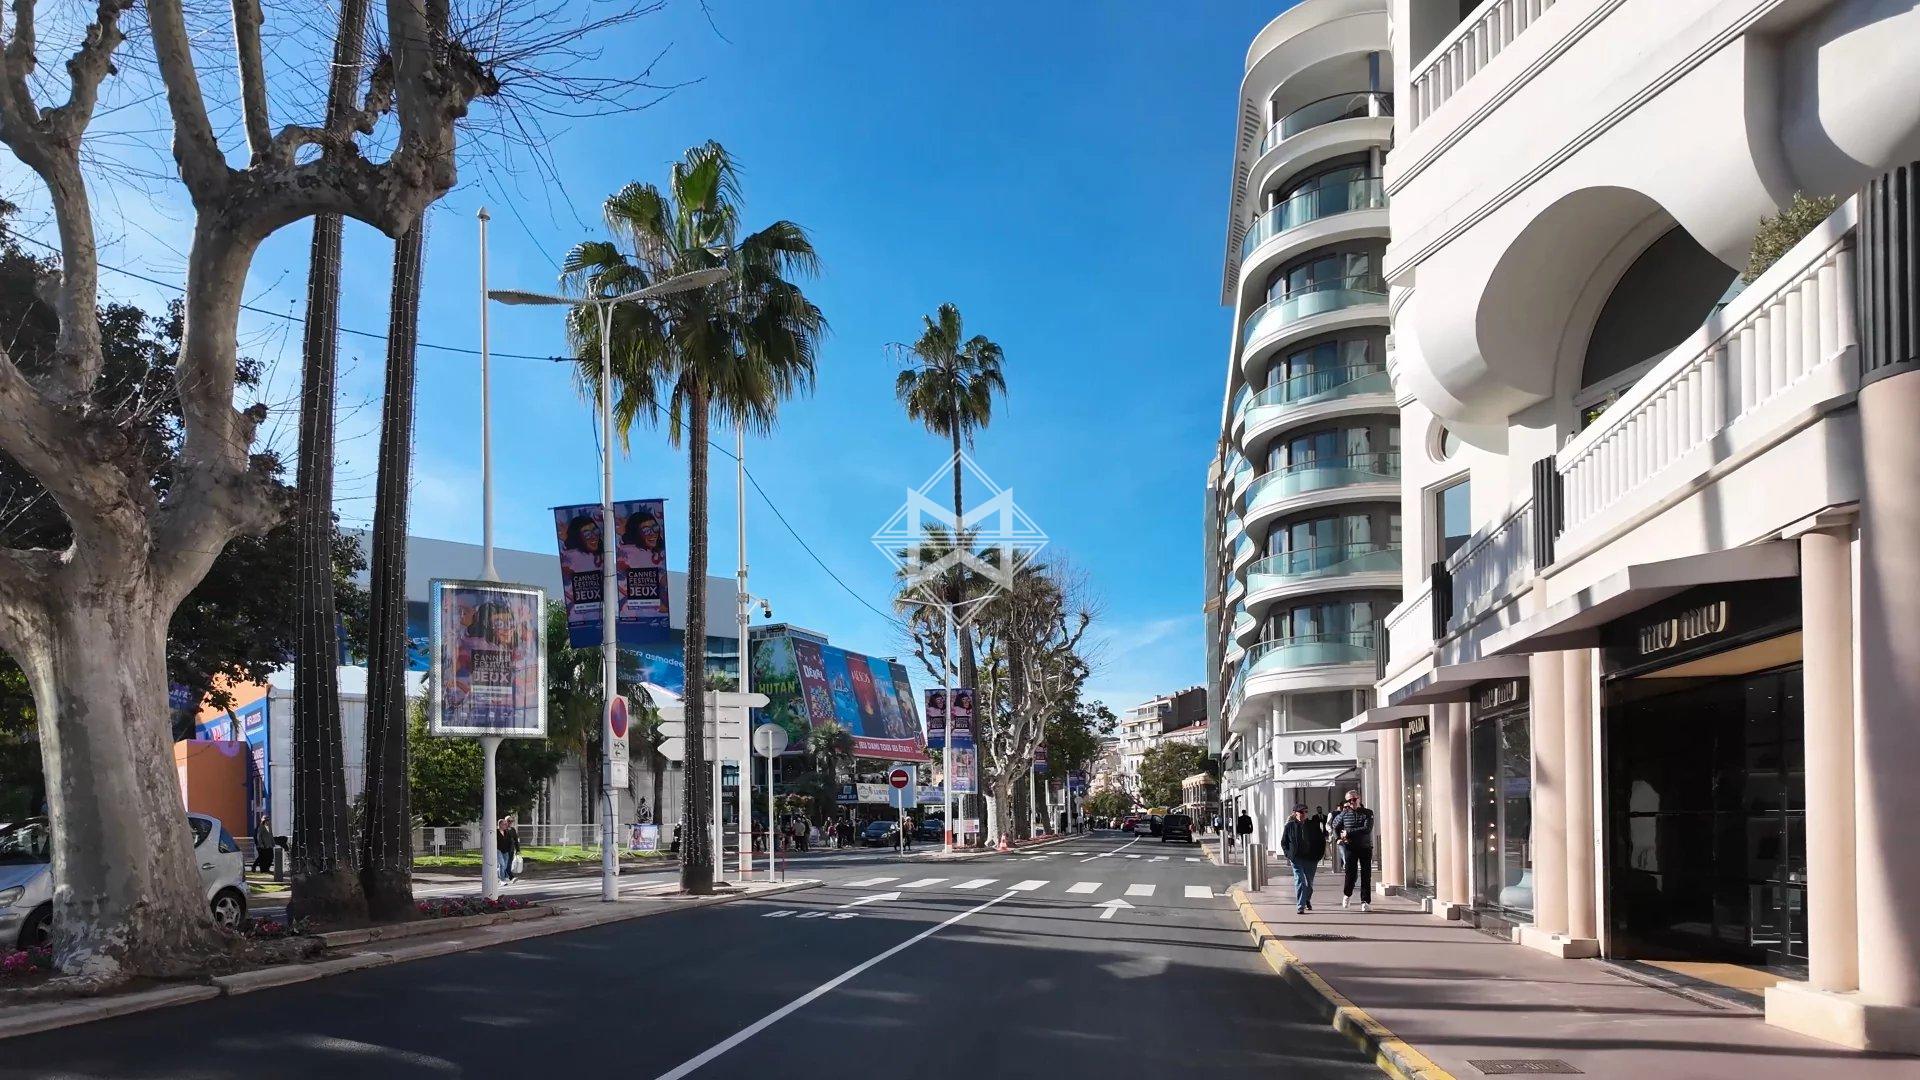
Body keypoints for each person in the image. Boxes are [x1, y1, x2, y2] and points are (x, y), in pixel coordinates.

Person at [1330, 789, 1376, 911]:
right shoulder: (1344, 813)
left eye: (1354, 799)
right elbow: (1334, 826)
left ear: (1359, 798)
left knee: (1366, 875)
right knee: (1351, 874)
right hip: (1350, 848)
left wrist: (1348, 832)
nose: (1352, 802)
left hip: (1365, 847)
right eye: (1349, 800)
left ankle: (1365, 902)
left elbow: (1367, 829)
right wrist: (1337, 838)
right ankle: (1347, 894)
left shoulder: (1368, 813)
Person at [1280, 804, 1327, 915]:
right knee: (1300, 881)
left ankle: (1306, 900)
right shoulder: (1290, 826)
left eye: (1305, 812)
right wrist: (1289, 855)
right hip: (1297, 858)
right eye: (1301, 812)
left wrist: (1319, 855)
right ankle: (1300, 906)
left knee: (1309, 884)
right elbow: (1284, 842)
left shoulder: (1313, 825)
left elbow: (1321, 841)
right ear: (1295, 813)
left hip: (1311, 858)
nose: (1304, 814)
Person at [496, 816, 521, 883]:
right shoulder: (502, 830)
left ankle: (502, 876)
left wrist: (517, 849)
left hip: (510, 849)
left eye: (512, 821)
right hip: (502, 850)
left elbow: (515, 840)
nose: (510, 822)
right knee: (503, 864)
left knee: (507, 864)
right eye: (509, 821)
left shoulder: (512, 830)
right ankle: (509, 878)